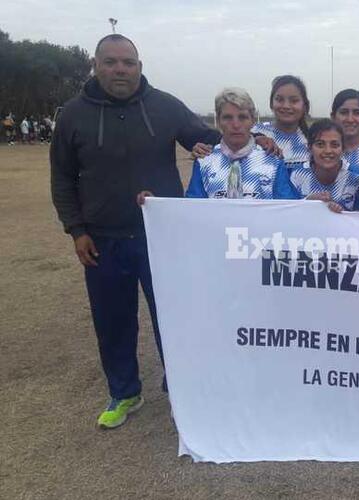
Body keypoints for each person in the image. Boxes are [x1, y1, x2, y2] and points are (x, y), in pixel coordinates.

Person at [50, 34, 221, 429]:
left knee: (173, 318)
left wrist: (259, 141)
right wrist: (76, 229)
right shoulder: (74, 114)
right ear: (95, 65)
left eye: (128, 62)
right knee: (113, 321)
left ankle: (180, 387)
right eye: (110, 62)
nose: (120, 69)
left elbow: (215, 141)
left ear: (140, 66)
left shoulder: (164, 106)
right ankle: (125, 392)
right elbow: (61, 177)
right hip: (102, 238)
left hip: (160, 237)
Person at [183, 87, 295, 200]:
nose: (236, 125)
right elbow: (193, 208)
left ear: (253, 121)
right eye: (228, 118)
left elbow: (288, 207)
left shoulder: (272, 160)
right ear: (218, 121)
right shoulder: (204, 161)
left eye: (242, 117)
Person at [289, 119, 359, 210]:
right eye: (320, 144)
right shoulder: (298, 175)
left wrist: (339, 209)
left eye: (334, 145)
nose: (328, 151)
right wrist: (307, 202)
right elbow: (289, 212)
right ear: (309, 148)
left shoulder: (357, 176)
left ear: (343, 149)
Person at [251, 74, 311, 169]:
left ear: (304, 106)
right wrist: (253, 140)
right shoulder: (254, 132)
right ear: (271, 103)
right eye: (279, 100)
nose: (286, 106)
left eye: (294, 101)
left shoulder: (313, 141)